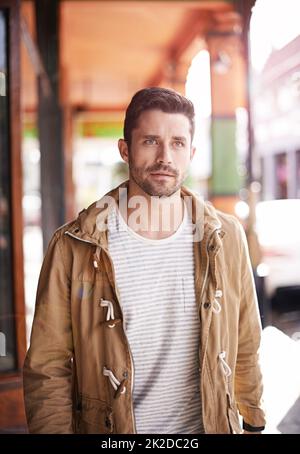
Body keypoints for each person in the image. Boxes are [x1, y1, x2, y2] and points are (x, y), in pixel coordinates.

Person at [23, 87, 266, 434]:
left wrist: (253, 422)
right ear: (125, 149)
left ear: (191, 152)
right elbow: (48, 367)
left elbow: (246, 341)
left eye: (178, 143)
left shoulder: (225, 237)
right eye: (150, 141)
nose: (165, 156)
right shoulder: (74, 246)